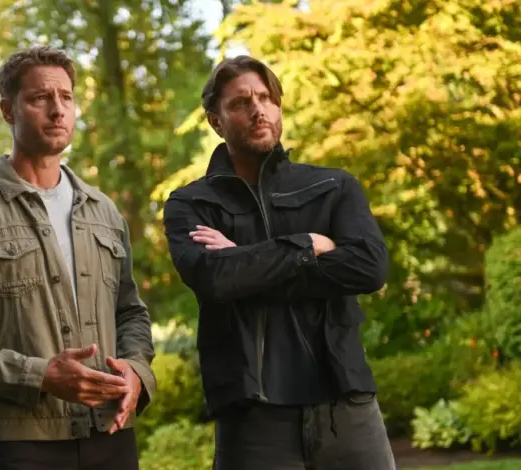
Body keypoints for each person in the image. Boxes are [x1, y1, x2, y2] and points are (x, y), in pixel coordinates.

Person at [0, 46, 156, 470]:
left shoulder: (103, 212)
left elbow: (130, 312)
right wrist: (38, 376)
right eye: (40, 97)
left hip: (112, 436)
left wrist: (137, 371)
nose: (57, 110)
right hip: (22, 446)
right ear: (8, 110)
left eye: (66, 97)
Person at [162, 55, 396, 470]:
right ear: (216, 121)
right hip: (253, 418)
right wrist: (309, 244)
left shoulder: (333, 185)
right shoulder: (191, 203)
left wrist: (245, 260)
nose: (257, 109)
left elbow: (369, 267)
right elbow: (216, 279)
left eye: (265, 97)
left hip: (346, 405)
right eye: (240, 103)